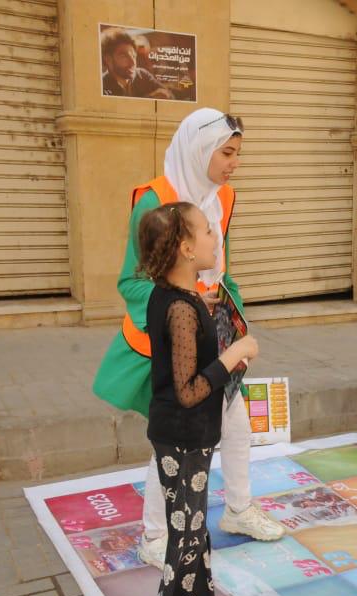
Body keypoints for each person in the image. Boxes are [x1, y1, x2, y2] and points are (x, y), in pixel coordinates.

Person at [92, 108, 285, 569]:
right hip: (172, 345)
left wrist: (236, 323)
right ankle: (155, 536)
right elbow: (132, 282)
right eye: (227, 153)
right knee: (172, 441)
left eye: (238, 153)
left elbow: (223, 273)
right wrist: (192, 303)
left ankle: (238, 509)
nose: (235, 163)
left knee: (235, 428)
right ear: (200, 150)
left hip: (214, 339)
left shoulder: (224, 197)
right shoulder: (155, 200)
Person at [139, 202, 258, 596]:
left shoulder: (176, 298)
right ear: (187, 249)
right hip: (183, 435)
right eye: (207, 230)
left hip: (188, 436)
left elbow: (180, 335)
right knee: (187, 534)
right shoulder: (180, 309)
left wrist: (203, 311)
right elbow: (188, 391)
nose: (215, 237)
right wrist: (234, 354)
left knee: (193, 529)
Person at [100, 27, 173, 100]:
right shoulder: (102, 86)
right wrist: (149, 98)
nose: (132, 63)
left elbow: (169, 95)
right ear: (108, 59)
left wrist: (165, 95)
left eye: (133, 56)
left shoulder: (142, 75)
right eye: (124, 56)